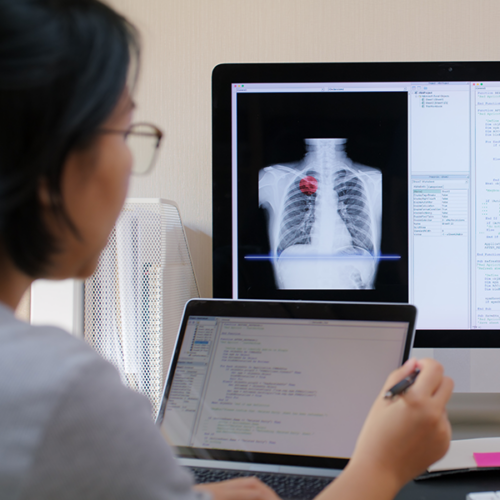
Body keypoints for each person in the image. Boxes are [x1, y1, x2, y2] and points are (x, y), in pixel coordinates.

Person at [0, 1, 454, 499]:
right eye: (124, 130)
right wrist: (382, 467)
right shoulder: (59, 394)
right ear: (48, 157)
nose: (132, 160)